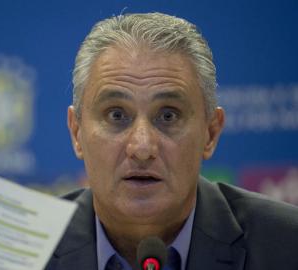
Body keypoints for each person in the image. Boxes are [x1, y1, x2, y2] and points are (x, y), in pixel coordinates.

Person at [45, 12, 298, 270]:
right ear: (76, 132)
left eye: (168, 115)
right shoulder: (22, 254)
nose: (142, 148)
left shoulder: (288, 246)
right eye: (117, 115)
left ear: (210, 133)